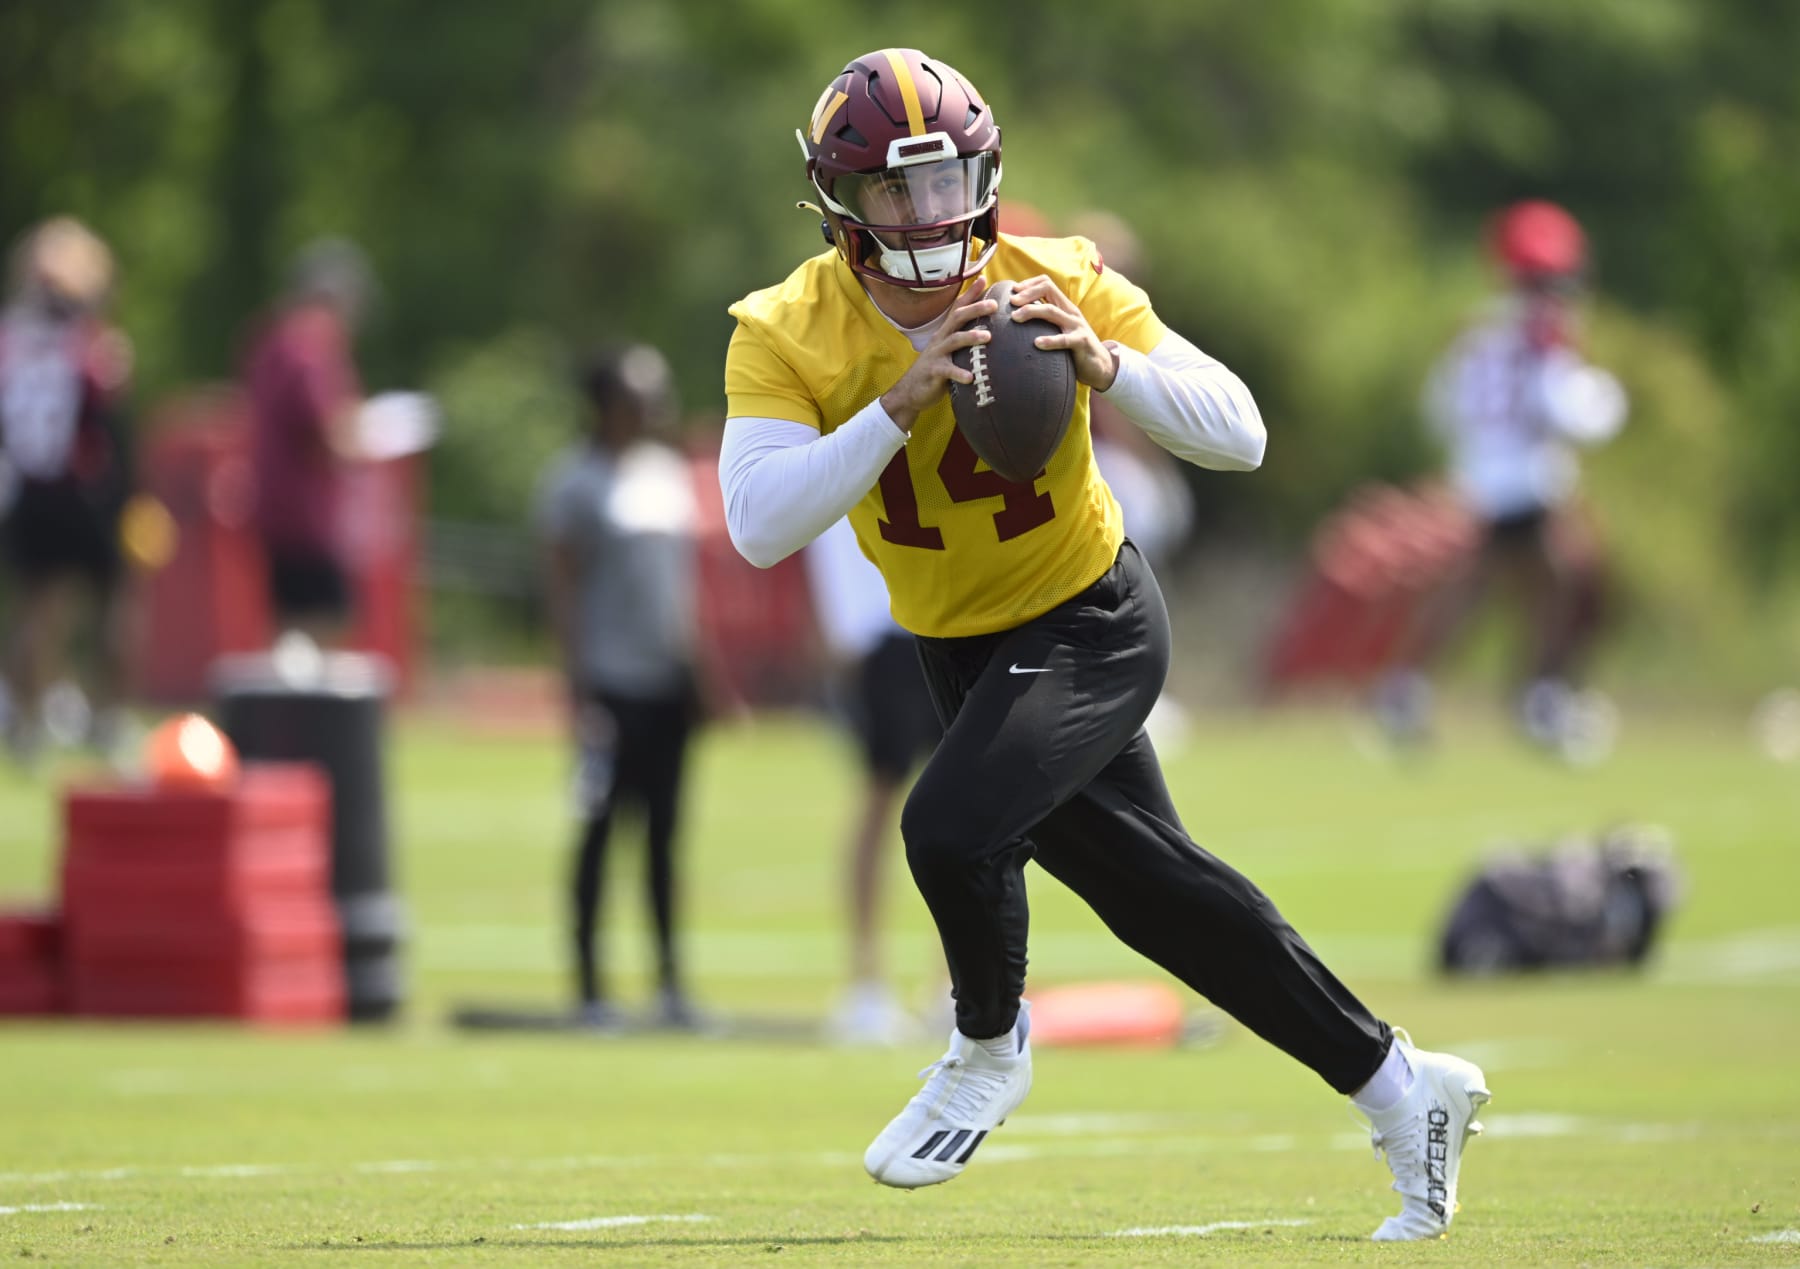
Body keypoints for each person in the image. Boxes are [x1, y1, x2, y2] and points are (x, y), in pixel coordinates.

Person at [720, 47, 1491, 1242]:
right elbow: (759, 523)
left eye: (944, 181)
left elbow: (1241, 433)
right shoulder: (787, 328)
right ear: (841, 201)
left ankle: (987, 1047)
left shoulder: (1052, 278)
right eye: (893, 190)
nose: (926, 213)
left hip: (1089, 618)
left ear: (984, 176)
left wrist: (1107, 363)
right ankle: (1402, 1087)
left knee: (947, 830)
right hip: (954, 644)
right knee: (1162, 902)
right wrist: (897, 403)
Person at [1373, 200, 1627, 761]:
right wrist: (1608, 400)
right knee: (1566, 586)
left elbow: (1440, 406)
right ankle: (1540, 700)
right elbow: (1563, 409)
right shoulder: (1543, 335)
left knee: (1489, 589)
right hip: (1528, 483)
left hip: (1481, 480)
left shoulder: (1477, 332)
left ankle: (1413, 691)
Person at [536, 342, 708, 1031]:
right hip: (610, 682)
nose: (655, 407)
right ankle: (590, 988)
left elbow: (682, 589)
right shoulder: (575, 482)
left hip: (667, 682)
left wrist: (702, 670)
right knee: (600, 832)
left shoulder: (666, 474)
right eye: (642, 395)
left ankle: (669, 986)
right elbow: (562, 589)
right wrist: (576, 686)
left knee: (665, 836)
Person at [0, 216, 137, 767]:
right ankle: (103, 718)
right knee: (110, 607)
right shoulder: (90, 344)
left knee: (37, 610)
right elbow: (107, 401)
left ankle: (27, 722)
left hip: (28, 487)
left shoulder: (11, 340)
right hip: (82, 488)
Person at [803, 513, 941, 1045]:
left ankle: (956, 984)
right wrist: (845, 636)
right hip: (887, 640)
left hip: (951, 627)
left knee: (969, 807)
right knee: (880, 801)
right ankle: (866, 984)